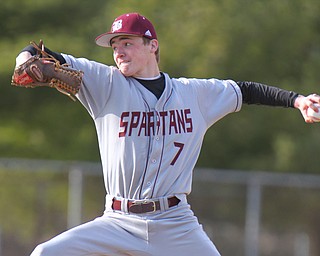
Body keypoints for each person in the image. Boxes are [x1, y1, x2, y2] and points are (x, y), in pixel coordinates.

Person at [15, 12, 320, 256]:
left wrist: (297, 100)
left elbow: (246, 90)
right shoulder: (105, 84)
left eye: (127, 43)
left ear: (152, 45)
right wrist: (24, 60)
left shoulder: (194, 94)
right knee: (45, 252)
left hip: (175, 223)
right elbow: (42, 54)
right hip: (118, 220)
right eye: (115, 46)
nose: (118, 52)